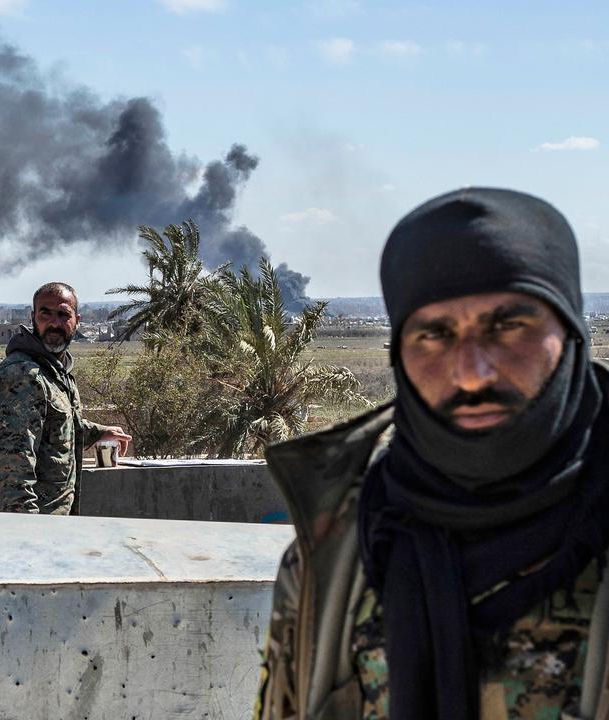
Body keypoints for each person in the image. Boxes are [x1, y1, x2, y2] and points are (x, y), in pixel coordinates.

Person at [256, 188, 609, 719]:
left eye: (508, 326)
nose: (471, 373)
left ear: (572, 331)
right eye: (434, 334)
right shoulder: (339, 551)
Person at [0, 281, 131, 514]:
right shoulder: (23, 376)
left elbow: (55, 424)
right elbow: (12, 471)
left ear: (77, 321)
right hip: (34, 530)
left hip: (54, 526)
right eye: (46, 314)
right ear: (33, 318)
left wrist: (98, 432)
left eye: (63, 315)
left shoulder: (55, 371)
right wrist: (27, 532)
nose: (55, 323)